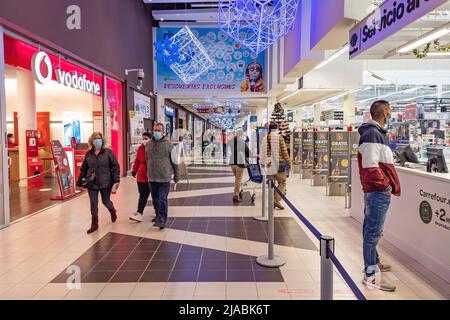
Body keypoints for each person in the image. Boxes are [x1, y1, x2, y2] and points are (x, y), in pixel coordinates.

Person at [358, 100, 401, 292]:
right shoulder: (372, 133)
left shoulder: (376, 133)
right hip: (377, 191)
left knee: (372, 228)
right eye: (390, 111)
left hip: (376, 190)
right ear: (384, 112)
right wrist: (384, 186)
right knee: (373, 232)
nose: (391, 114)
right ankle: (370, 275)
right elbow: (370, 165)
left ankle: (374, 262)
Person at [77, 132, 120, 234]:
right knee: (93, 203)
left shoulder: (108, 152)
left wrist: (116, 180)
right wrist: (80, 180)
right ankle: (94, 224)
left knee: (106, 201)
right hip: (92, 183)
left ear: (102, 140)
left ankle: (112, 210)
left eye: (99, 138)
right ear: (92, 141)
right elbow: (84, 168)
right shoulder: (89, 154)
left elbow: (115, 167)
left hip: (106, 182)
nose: (97, 140)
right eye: (95, 138)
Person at [146, 123, 180, 229]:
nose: (156, 132)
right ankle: (158, 215)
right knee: (155, 199)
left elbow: (175, 161)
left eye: (159, 130)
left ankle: (162, 219)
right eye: (155, 130)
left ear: (163, 132)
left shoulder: (169, 145)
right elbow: (147, 159)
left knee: (162, 198)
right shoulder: (148, 145)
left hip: (164, 176)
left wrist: (176, 175)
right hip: (152, 176)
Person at [260, 122, 291, 210]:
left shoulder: (265, 139)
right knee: (282, 182)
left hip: (269, 165)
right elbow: (285, 152)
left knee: (271, 183)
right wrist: (289, 163)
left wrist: (262, 164)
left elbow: (262, 152)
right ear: (276, 128)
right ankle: (276, 200)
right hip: (279, 164)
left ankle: (272, 201)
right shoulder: (279, 138)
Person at [129, 132, 155, 223]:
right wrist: (134, 170)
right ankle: (139, 213)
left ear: (151, 139)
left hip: (152, 175)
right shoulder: (140, 148)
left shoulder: (154, 148)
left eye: (146, 138)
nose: (144, 140)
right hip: (141, 176)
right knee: (143, 195)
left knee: (155, 195)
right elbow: (137, 160)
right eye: (143, 138)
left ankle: (157, 212)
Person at [228, 128, 250, 203]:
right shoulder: (242, 142)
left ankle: (239, 191)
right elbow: (248, 152)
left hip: (232, 162)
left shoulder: (231, 141)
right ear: (241, 134)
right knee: (238, 179)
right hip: (239, 163)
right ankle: (236, 195)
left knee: (237, 179)